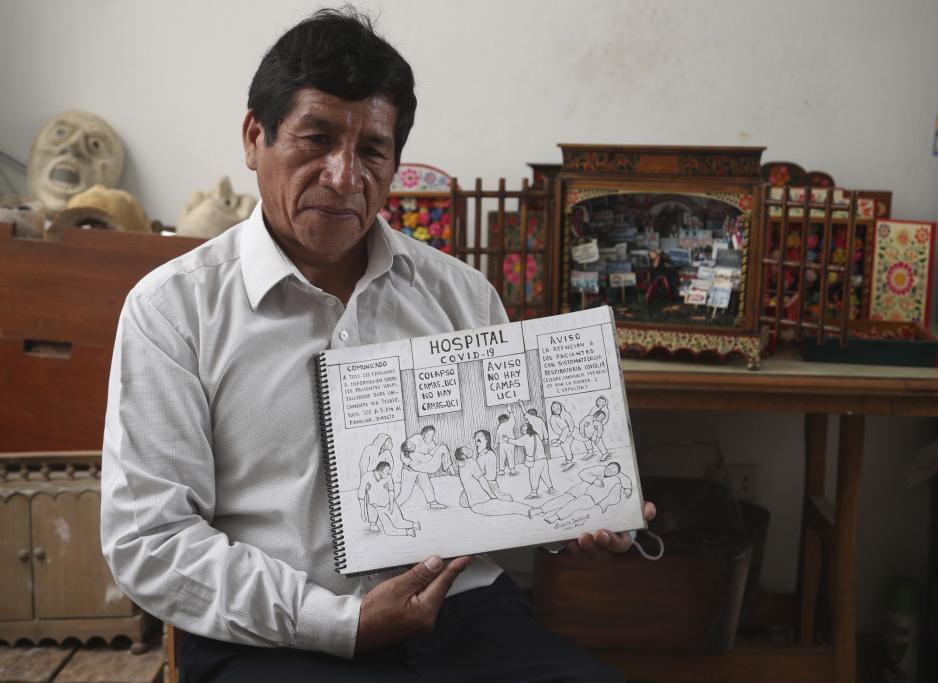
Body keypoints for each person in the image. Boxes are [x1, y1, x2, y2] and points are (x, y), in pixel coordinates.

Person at [100, 7, 654, 682]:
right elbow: (151, 543)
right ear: (254, 137)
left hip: (463, 613)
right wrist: (340, 622)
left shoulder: (462, 296)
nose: (344, 176)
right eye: (317, 139)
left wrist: (581, 509)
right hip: (277, 635)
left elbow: (504, 466)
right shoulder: (173, 312)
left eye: (371, 151)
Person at [530, 462, 632, 524]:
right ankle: (538, 510)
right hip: (579, 489)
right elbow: (582, 473)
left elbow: (626, 480)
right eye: (609, 467)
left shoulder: (617, 478)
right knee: (561, 499)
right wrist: (594, 480)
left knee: (573, 505)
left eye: (614, 470)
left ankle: (555, 517)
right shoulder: (600, 468)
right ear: (606, 466)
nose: (610, 470)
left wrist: (628, 489)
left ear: (617, 473)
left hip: (592, 497)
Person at [453, 446, 531, 517]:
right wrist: (492, 495)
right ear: (463, 456)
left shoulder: (461, 466)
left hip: (474, 504)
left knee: (508, 506)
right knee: (510, 506)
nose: (469, 449)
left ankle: (531, 511)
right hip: (483, 501)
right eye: (466, 450)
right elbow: (482, 480)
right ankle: (531, 511)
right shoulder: (471, 462)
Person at [358, 461, 419, 536]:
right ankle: (409, 532)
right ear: (380, 471)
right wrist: (363, 512)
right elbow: (361, 495)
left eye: (388, 471)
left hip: (388, 503)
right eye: (386, 471)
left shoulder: (388, 477)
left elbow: (391, 491)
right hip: (379, 508)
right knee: (388, 530)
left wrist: (392, 504)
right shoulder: (366, 476)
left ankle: (414, 525)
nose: (388, 473)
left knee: (399, 523)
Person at [396, 433, 448, 510]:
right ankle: (393, 507)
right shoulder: (414, 439)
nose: (430, 437)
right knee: (405, 494)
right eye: (429, 435)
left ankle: (433, 503)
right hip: (409, 470)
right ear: (424, 434)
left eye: (431, 435)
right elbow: (403, 454)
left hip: (420, 468)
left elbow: (427, 456)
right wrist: (409, 462)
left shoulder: (430, 443)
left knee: (427, 485)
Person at [505, 421, 555, 500]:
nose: (522, 428)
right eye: (522, 427)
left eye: (524, 426)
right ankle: (551, 488)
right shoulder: (536, 436)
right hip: (543, 459)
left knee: (533, 476)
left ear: (528, 428)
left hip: (534, 460)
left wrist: (508, 439)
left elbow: (517, 442)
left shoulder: (526, 437)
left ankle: (534, 492)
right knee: (545, 474)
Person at [473, 428, 509, 501]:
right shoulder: (475, 454)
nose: (478, 438)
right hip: (478, 484)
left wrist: (476, 479)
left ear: (487, 440)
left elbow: (491, 476)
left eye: (481, 436)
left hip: (489, 485)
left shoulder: (490, 454)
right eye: (477, 436)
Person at [548, 400, 576, 471]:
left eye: (557, 406)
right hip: (564, 435)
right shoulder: (552, 418)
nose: (555, 408)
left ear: (561, 407)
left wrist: (569, 432)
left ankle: (558, 442)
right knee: (565, 445)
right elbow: (556, 430)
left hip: (573, 432)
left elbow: (571, 424)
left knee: (566, 429)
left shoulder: (565, 414)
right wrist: (564, 436)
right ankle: (569, 460)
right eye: (553, 407)